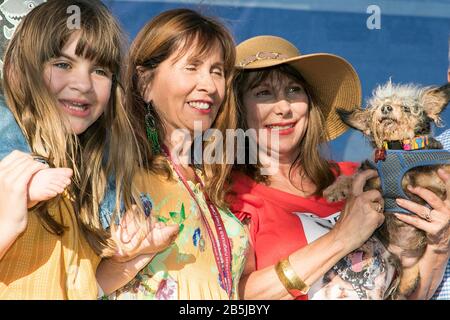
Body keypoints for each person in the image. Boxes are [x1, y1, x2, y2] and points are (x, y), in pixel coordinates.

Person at [228, 35, 450, 300]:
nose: (284, 107)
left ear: (310, 105)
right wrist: (342, 237)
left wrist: (439, 245)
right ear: (239, 109)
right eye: (264, 93)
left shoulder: (359, 176)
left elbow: (408, 295)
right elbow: (235, 297)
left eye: (293, 90)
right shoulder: (232, 197)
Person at [0, 0, 151, 299]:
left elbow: (82, 289)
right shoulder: (9, 165)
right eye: (63, 64)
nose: (83, 84)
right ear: (20, 72)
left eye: (100, 70)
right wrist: (8, 221)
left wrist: (133, 258)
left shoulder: (91, 177)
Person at [96, 9, 249, 300]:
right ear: (145, 83)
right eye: (191, 67)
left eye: (217, 71)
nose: (209, 85)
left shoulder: (210, 178)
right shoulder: (115, 169)